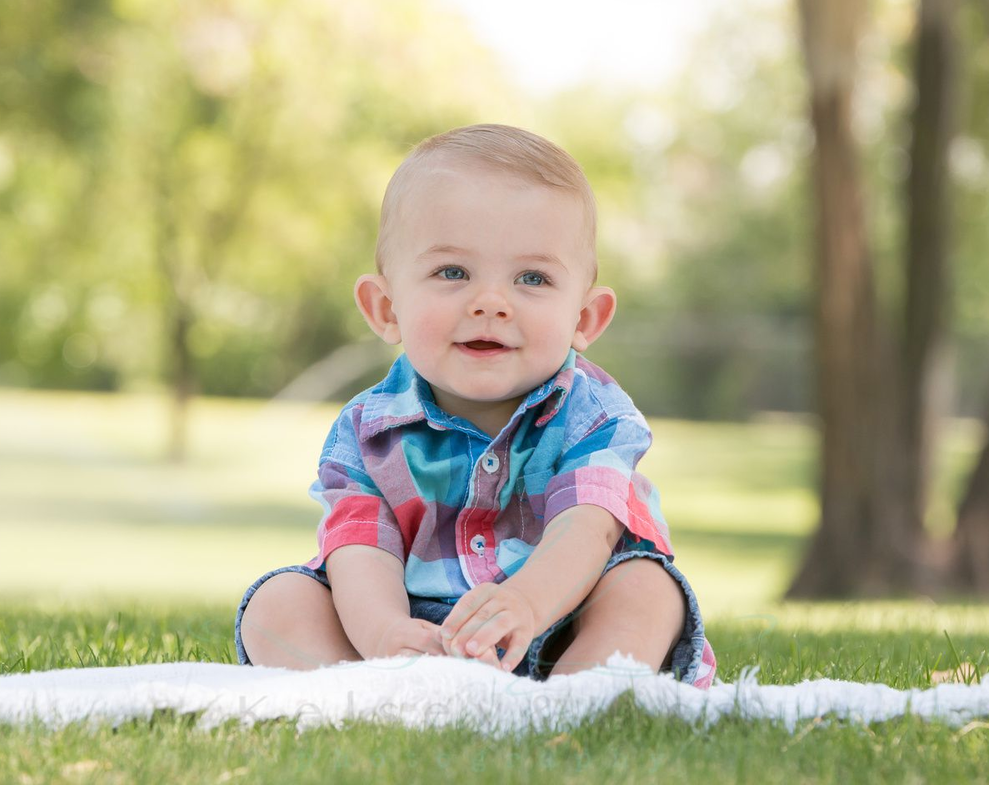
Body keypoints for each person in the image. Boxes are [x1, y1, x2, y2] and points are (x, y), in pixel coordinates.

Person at [235, 124, 716, 687]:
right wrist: (384, 633)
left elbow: (588, 530)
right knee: (277, 601)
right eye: (453, 272)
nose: (491, 302)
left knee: (646, 589)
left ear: (584, 320)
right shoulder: (367, 431)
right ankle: (372, 695)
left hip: (562, 620)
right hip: (414, 640)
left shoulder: (595, 415)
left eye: (532, 278)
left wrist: (528, 605)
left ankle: (580, 699)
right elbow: (361, 548)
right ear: (386, 307)